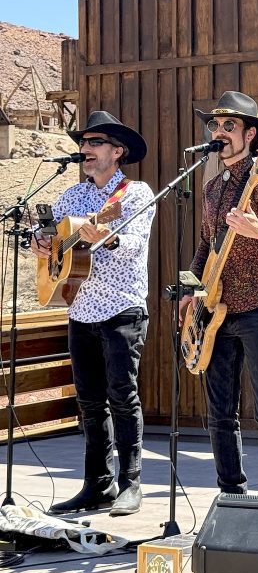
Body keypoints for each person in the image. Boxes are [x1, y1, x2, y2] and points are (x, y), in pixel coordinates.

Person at [177, 91, 258, 497]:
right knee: (220, 412)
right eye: (214, 126)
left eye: (228, 126)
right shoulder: (212, 187)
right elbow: (205, 244)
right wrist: (190, 288)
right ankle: (230, 495)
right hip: (214, 309)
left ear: (251, 134)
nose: (219, 133)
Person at [30, 111, 154, 517]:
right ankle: (97, 484)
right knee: (89, 402)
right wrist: (42, 244)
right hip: (79, 307)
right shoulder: (73, 196)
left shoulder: (134, 194)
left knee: (122, 395)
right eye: (84, 142)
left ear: (117, 152)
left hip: (122, 307)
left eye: (95, 142)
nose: (85, 149)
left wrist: (109, 240)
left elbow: (135, 243)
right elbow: (51, 233)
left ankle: (130, 483)